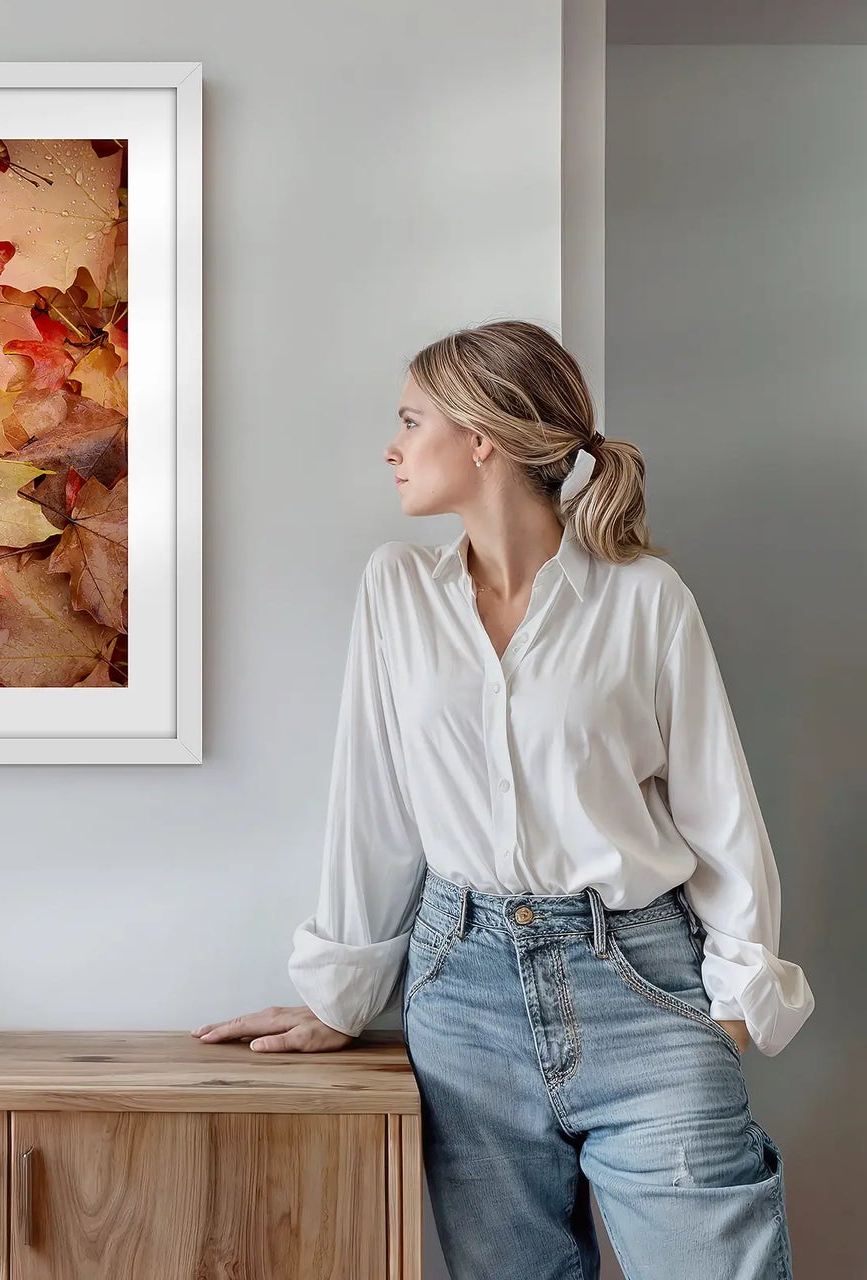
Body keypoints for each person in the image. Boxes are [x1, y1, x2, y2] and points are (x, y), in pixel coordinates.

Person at [192, 321, 812, 1279]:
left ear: (481, 438)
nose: (392, 448)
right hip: (463, 999)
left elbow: (718, 809)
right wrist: (341, 994)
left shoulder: (645, 598)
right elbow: (376, 805)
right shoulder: (396, 590)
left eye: (411, 421)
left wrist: (733, 1006)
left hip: (643, 986)